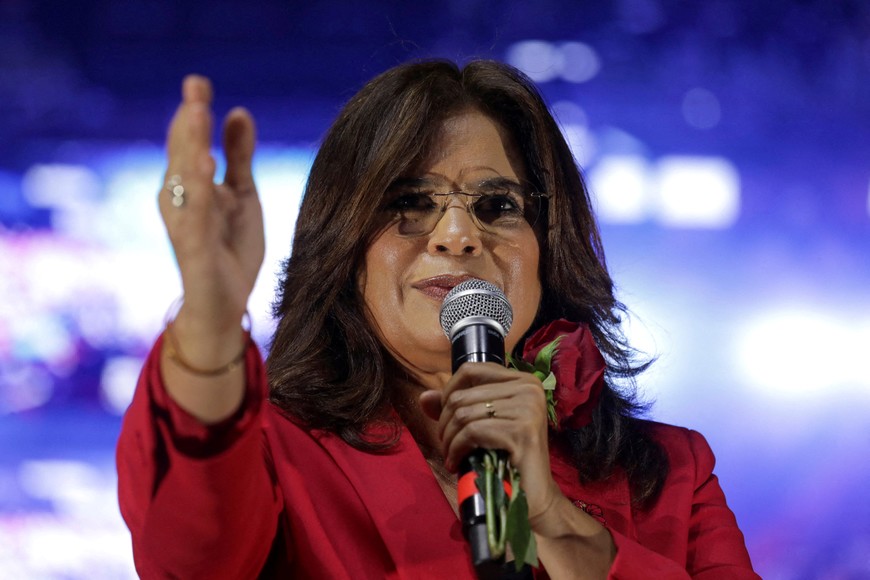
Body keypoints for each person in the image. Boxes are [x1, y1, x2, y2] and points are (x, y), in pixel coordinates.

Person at [116, 59, 759, 579]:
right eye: (411, 201)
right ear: (344, 244)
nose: (457, 234)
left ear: (549, 245)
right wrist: (209, 315)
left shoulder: (672, 472)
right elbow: (190, 561)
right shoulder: (271, 455)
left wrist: (558, 524)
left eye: (498, 204)